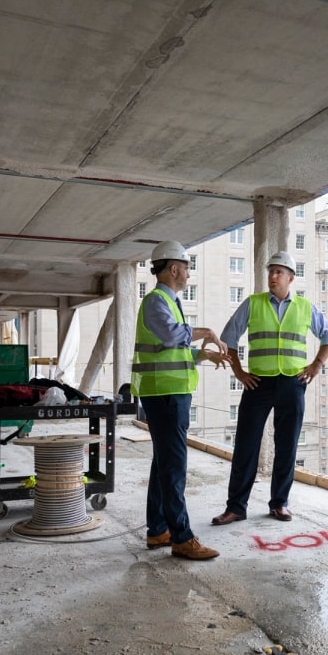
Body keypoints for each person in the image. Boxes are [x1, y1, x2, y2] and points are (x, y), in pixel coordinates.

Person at [211, 251, 328, 525]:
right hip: (258, 383)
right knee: (246, 445)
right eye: (271, 271)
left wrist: (315, 365)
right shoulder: (253, 304)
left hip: (293, 383)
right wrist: (239, 373)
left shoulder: (305, 307)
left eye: (279, 272)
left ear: (290, 278)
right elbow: (228, 338)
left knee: (287, 446)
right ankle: (236, 507)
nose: (273, 276)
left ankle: (279, 503)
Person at [131, 240, 231, 560]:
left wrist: (202, 354)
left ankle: (158, 529)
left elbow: (172, 348)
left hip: (168, 392)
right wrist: (209, 332)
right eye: (186, 267)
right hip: (164, 394)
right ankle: (181, 537)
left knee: (164, 463)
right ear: (174, 268)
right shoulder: (156, 301)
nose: (188, 273)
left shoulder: (168, 302)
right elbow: (174, 335)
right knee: (174, 467)